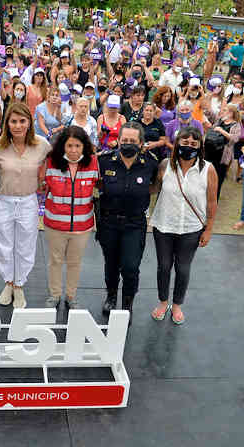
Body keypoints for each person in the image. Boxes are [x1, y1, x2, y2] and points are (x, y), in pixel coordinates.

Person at [149, 127, 218, 324]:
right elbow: (153, 188)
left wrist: (209, 228)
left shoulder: (208, 170)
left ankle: (177, 304)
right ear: (177, 143)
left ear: (200, 147)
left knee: (183, 268)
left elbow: (212, 202)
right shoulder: (165, 165)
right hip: (164, 225)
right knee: (163, 267)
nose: (188, 147)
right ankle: (163, 302)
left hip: (191, 227)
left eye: (194, 144)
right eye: (185, 143)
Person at [0, 103, 52, 308]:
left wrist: (44, 176)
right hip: (3, 200)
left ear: (29, 123)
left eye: (22, 121)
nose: (18, 126)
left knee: (25, 245)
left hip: (28, 201)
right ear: (7, 123)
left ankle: (19, 285)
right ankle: (8, 283)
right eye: (13, 121)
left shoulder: (41, 144)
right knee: (4, 244)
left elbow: (52, 161)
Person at [97, 122, 158, 325]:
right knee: (111, 264)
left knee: (131, 266)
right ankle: (111, 296)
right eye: (125, 140)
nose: (128, 144)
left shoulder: (150, 163)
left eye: (133, 141)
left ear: (141, 143)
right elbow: (96, 183)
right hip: (109, 221)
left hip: (135, 223)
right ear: (118, 141)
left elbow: (155, 185)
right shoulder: (105, 161)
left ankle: (128, 303)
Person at [42, 126, 99, 309]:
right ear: (62, 146)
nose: (73, 150)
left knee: (75, 263)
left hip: (82, 226)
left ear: (84, 147)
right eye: (69, 146)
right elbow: (42, 186)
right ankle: (55, 295)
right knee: (55, 261)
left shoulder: (94, 163)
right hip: (55, 225)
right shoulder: (51, 162)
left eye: (77, 146)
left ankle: (71, 296)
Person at [203, 104, 240, 199]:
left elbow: (235, 139)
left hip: (222, 156)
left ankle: (214, 201)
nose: (222, 112)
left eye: (225, 110)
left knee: (218, 180)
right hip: (210, 153)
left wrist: (221, 131)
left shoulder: (236, 125)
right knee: (206, 178)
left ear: (231, 113)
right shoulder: (219, 121)